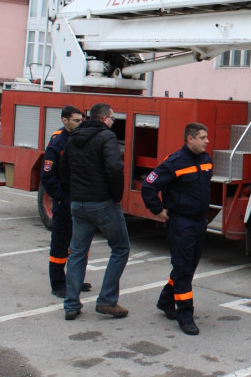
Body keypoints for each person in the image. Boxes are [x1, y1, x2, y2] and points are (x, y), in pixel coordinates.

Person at [60, 103, 130, 321]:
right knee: (120, 248)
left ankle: (71, 304)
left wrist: (75, 192)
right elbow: (115, 168)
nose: (113, 122)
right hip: (102, 203)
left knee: (78, 252)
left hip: (79, 203)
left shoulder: (73, 137)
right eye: (112, 118)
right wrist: (116, 197)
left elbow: (64, 170)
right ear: (104, 119)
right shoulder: (106, 137)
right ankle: (107, 301)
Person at [141, 123, 213, 336]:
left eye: (206, 137)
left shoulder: (206, 161)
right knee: (182, 268)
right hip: (181, 223)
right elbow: (148, 185)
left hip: (199, 222)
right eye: (202, 137)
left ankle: (165, 301)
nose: (207, 141)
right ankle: (185, 316)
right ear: (190, 139)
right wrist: (157, 210)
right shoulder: (173, 162)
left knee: (188, 267)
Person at [43, 105, 92, 299]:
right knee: (60, 244)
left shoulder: (79, 139)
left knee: (79, 244)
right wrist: (62, 199)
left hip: (79, 199)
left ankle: (75, 280)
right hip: (65, 201)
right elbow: (47, 176)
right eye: (76, 121)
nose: (80, 124)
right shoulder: (58, 143)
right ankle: (58, 284)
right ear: (65, 121)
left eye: (82, 120)